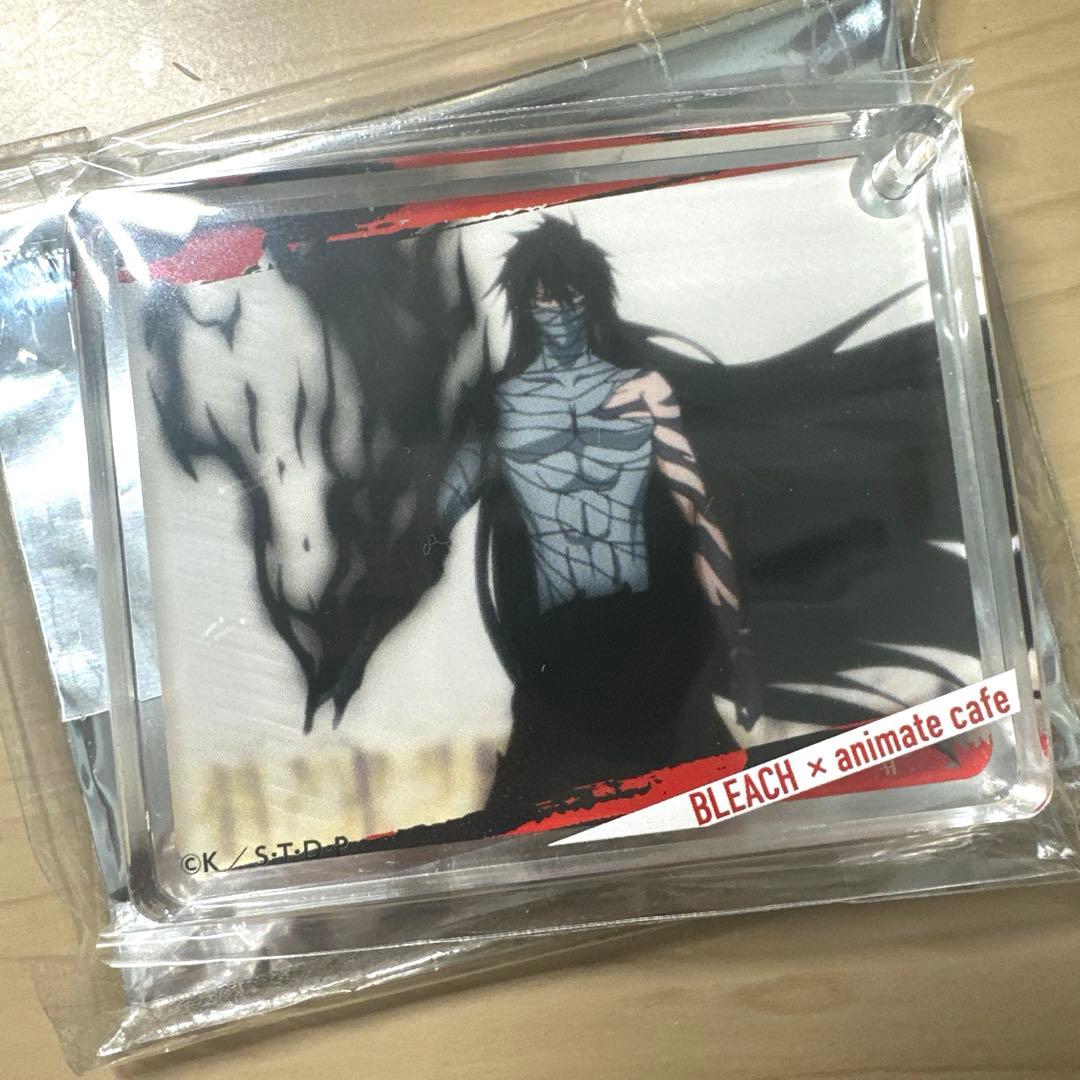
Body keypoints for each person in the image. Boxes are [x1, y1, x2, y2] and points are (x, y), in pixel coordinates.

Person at [437, 217, 759, 828]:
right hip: (558, 665)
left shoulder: (642, 390)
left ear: (593, 299)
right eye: (544, 303)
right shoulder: (501, 406)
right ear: (524, 305)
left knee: (722, 825)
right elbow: (435, 512)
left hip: (657, 650)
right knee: (530, 840)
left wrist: (739, 650)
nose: (559, 318)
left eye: (572, 300)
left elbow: (699, 514)